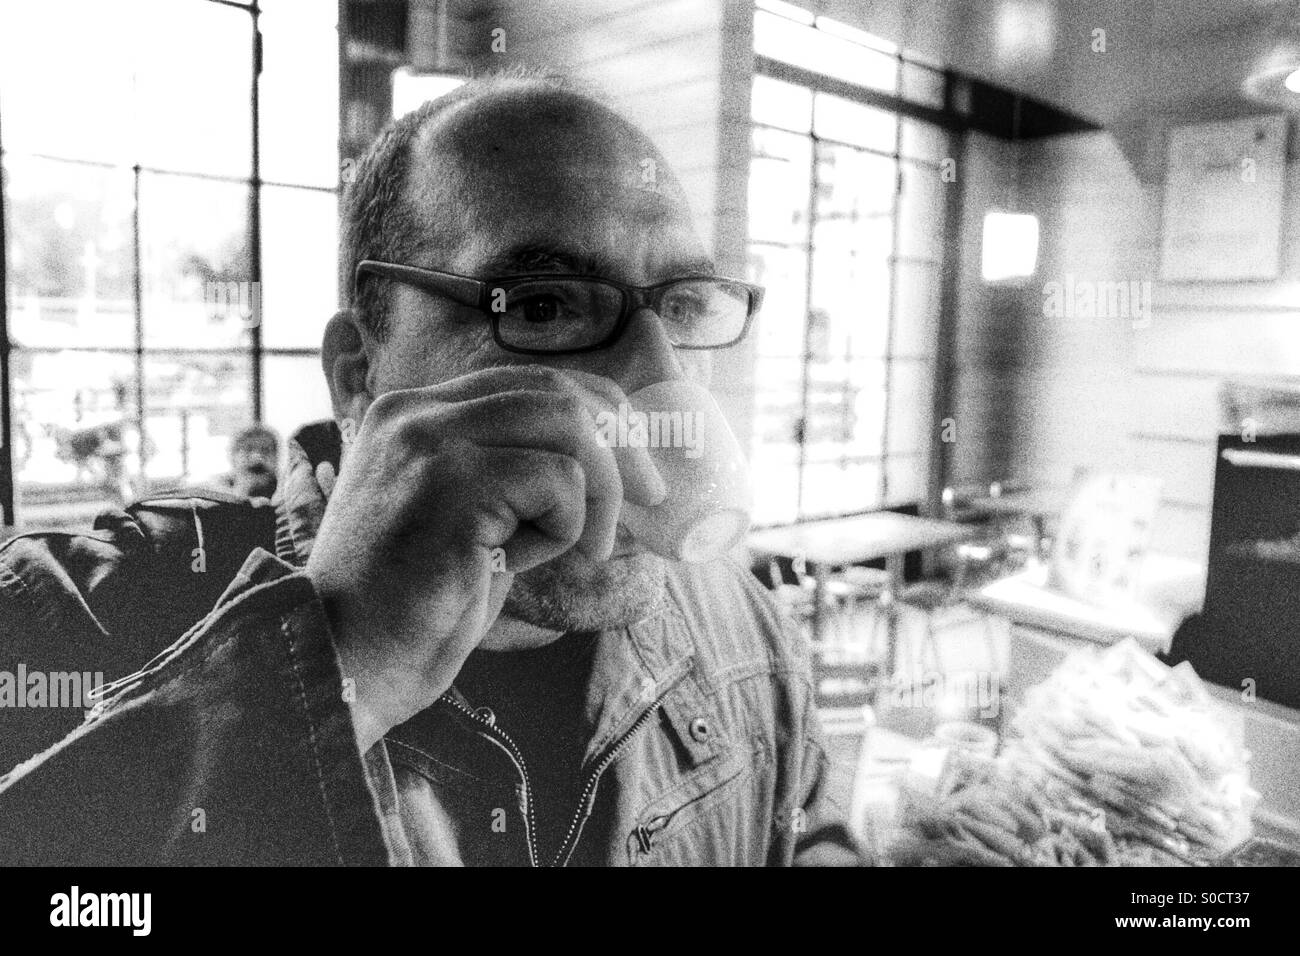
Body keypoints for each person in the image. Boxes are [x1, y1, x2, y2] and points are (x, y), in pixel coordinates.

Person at [0, 71, 863, 866]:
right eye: (543, 304)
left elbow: (809, 835)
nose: (657, 382)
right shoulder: (76, 617)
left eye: (680, 307)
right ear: (358, 373)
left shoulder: (748, 633)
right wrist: (335, 662)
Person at [222, 424, 280, 500]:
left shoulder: (287, 497)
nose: (257, 458)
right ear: (232, 456)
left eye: (266, 450)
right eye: (248, 449)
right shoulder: (216, 493)